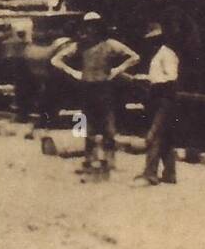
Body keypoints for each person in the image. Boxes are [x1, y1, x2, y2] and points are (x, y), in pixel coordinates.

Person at [50, 12, 141, 179]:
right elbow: (55, 60)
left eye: (95, 25)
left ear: (100, 27)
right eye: (88, 25)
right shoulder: (80, 45)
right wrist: (73, 72)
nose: (91, 29)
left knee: (108, 126)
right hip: (85, 88)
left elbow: (135, 57)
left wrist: (117, 70)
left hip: (105, 89)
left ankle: (109, 161)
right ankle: (88, 159)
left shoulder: (111, 44)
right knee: (85, 125)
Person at [132, 23, 179, 187]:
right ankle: (170, 173)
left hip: (164, 97)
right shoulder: (157, 55)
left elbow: (171, 78)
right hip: (156, 96)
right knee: (165, 137)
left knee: (154, 135)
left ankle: (150, 173)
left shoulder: (168, 54)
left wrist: (154, 83)